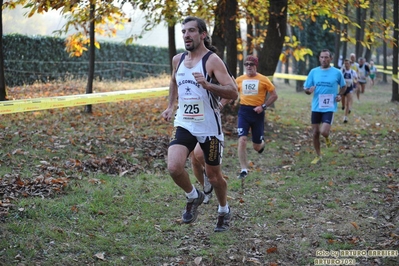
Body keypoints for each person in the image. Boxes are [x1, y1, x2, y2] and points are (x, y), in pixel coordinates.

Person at [161, 16, 238, 232]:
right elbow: (174, 81)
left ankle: (223, 209)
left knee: (214, 177)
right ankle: (193, 196)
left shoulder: (212, 61)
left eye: (191, 31)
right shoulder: (177, 60)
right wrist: (170, 106)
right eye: (184, 31)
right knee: (174, 167)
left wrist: (207, 85)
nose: (186, 35)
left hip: (209, 128)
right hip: (185, 122)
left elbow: (233, 91)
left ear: (202, 34)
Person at [235, 55, 278, 179]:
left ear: (256, 66)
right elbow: (232, 92)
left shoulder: (263, 79)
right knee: (242, 140)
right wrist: (224, 103)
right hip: (243, 111)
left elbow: (274, 96)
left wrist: (263, 106)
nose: (249, 66)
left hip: (257, 113)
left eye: (251, 64)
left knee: (256, 146)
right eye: (246, 64)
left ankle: (261, 144)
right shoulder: (239, 79)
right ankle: (244, 169)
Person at [304, 49, 346, 164]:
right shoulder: (313, 72)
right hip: (316, 107)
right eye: (322, 57)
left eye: (326, 57)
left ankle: (327, 137)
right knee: (315, 132)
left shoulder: (337, 72)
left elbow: (343, 86)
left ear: (331, 59)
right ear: (319, 58)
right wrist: (309, 90)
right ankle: (318, 155)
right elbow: (306, 89)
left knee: (323, 132)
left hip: (329, 107)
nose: (324, 59)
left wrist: (339, 95)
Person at [341, 59, 358, 123]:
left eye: (347, 63)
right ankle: (342, 106)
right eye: (345, 64)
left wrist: (355, 85)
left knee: (348, 103)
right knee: (343, 101)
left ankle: (345, 117)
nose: (346, 65)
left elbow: (356, 79)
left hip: (349, 88)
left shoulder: (353, 72)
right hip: (343, 88)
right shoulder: (342, 71)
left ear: (350, 64)